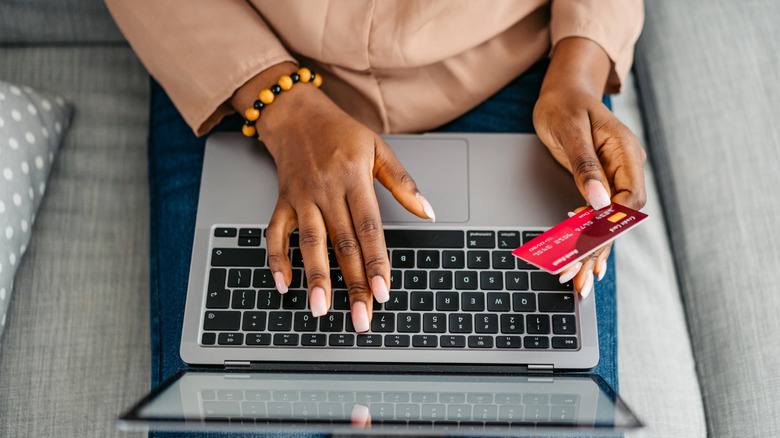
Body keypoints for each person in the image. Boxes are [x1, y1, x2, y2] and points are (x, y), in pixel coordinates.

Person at [106, 0, 645, 396]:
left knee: (554, 405)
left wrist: (578, 71)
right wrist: (282, 106)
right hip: (244, 64)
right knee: (225, 406)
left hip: (513, 67)